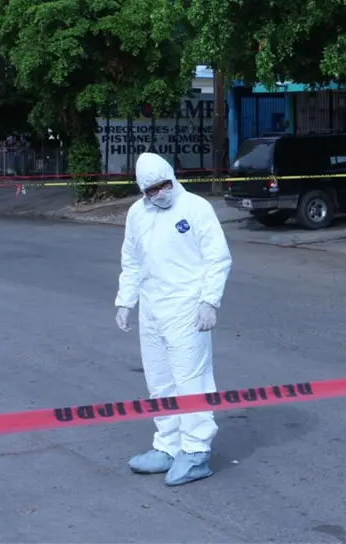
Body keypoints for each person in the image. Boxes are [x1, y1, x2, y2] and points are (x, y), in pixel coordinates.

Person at [114, 152, 233, 487]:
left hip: (186, 308)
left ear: (172, 177)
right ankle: (167, 445)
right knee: (160, 382)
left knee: (191, 380)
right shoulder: (137, 214)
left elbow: (217, 258)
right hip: (152, 308)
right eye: (151, 190)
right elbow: (131, 260)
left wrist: (209, 301)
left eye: (164, 185)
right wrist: (126, 301)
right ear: (142, 190)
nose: (160, 194)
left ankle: (195, 451)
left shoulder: (195, 208)